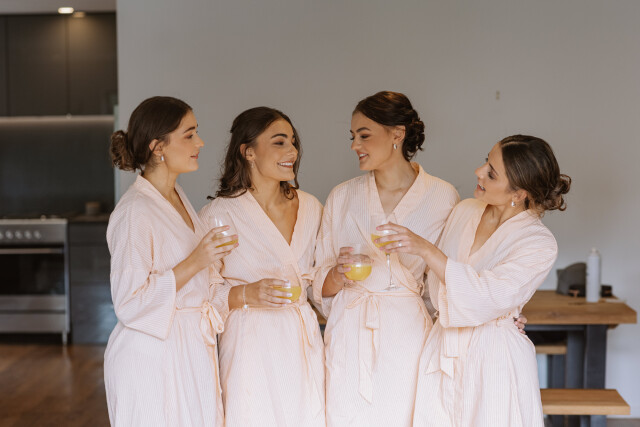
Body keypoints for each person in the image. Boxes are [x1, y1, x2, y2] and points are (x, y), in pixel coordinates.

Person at [379, 135, 570, 426]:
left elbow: (485, 297)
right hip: (442, 346)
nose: (478, 172)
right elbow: (434, 287)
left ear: (519, 193)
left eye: (491, 173)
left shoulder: (538, 243)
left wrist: (427, 250)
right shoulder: (464, 210)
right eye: (485, 162)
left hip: (493, 359)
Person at [313, 91, 460, 426]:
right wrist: (337, 274)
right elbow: (318, 281)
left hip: (409, 334)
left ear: (397, 134)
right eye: (352, 136)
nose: (355, 145)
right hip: (351, 330)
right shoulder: (342, 196)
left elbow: (449, 277)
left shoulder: (442, 196)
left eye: (364, 135)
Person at [104, 96, 236, 426]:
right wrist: (197, 260)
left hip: (188, 347)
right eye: (189, 135)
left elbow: (199, 279)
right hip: (152, 358)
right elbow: (128, 302)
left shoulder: (176, 197)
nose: (200, 142)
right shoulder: (134, 212)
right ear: (157, 147)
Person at [199, 107, 325, 427]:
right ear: (249, 152)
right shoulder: (218, 215)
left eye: (293, 142)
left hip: (301, 337)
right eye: (279, 142)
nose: (292, 151)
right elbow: (201, 295)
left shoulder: (311, 207)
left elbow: (322, 276)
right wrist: (245, 294)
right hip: (249, 344)